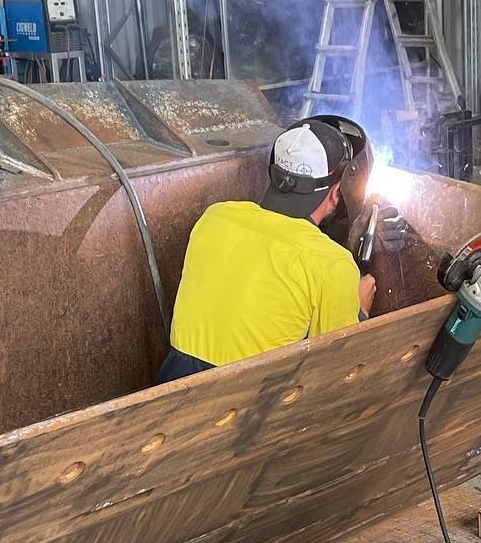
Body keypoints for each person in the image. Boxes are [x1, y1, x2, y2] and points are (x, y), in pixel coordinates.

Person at [157, 119, 377, 382]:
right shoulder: (331, 262)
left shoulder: (214, 217)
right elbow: (339, 371)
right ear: (336, 192)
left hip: (170, 388)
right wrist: (360, 312)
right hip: (245, 406)